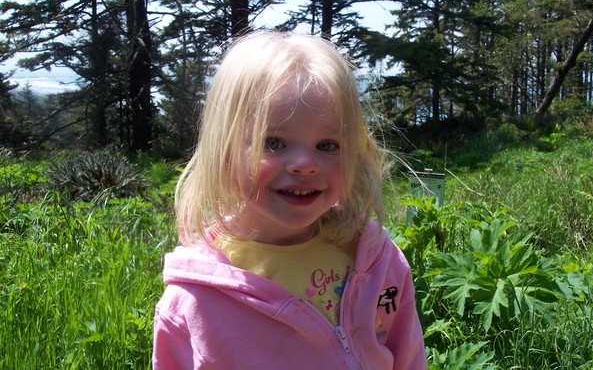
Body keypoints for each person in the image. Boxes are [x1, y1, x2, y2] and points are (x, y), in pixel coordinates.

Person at [152, 31, 427, 369]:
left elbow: (409, 357)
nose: (305, 164)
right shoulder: (194, 302)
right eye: (274, 143)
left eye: (327, 145)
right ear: (224, 152)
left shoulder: (377, 261)